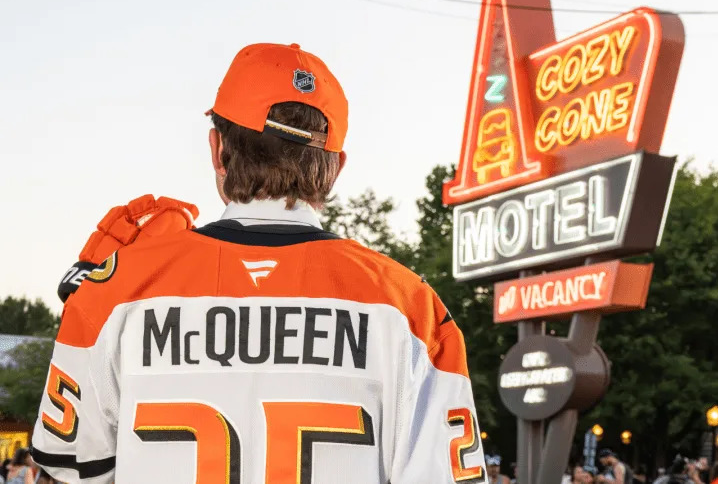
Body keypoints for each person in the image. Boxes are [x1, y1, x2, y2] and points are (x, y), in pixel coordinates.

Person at [31, 43, 485, 483]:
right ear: (336, 167)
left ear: (217, 148)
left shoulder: (121, 287)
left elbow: (66, 468)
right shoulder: (409, 308)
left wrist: (87, 300)